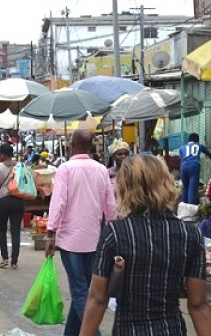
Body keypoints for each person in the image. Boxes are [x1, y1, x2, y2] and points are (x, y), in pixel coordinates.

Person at [81, 154, 211, 336]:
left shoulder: (115, 233)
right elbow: (198, 304)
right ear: (166, 183)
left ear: (125, 187)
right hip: (171, 329)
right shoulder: (190, 235)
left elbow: (97, 299)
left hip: (128, 330)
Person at [44, 129, 116, 336]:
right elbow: (109, 204)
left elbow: (58, 202)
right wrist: (113, 229)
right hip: (94, 238)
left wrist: (51, 231)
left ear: (72, 144)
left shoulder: (65, 169)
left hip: (71, 240)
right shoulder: (101, 169)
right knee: (84, 290)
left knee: (79, 292)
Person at [0, 143, 24, 270]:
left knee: (1, 230)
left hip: (2, 201)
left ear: (4, 154)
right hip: (18, 200)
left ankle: (5, 259)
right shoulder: (19, 166)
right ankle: (15, 262)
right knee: (15, 231)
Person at [179, 133, 211, 204]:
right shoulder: (199, 145)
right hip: (194, 167)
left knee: (185, 188)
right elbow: (208, 154)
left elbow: (181, 159)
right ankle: (191, 209)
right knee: (192, 189)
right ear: (197, 140)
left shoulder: (182, 148)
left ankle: (184, 207)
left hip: (183, 167)